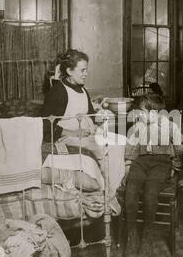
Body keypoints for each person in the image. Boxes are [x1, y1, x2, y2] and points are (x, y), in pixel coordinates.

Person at [41, 49, 126, 202]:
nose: (86, 73)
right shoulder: (58, 92)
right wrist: (73, 133)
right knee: (104, 147)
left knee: (120, 141)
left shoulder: (83, 90)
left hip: (85, 134)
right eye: (82, 70)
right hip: (65, 138)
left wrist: (97, 122)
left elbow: (91, 114)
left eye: (87, 69)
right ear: (69, 71)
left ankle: (115, 188)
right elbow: (45, 124)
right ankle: (108, 191)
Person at [123, 94, 183, 257]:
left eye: (141, 112)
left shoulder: (170, 126)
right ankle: (132, 236)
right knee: (131, 192)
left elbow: (178, 148)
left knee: (150, 193)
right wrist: (127, 167)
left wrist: (177, 164)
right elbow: (131, 148)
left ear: (155, 113)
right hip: (141, 162)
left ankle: (147, 235)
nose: (139, 115)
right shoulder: (137, 127)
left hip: (161, 164)